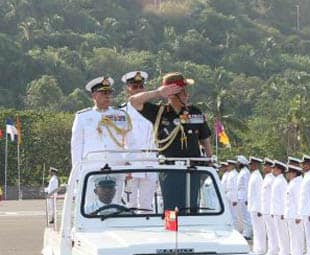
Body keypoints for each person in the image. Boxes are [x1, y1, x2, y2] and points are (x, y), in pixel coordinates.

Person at [129, 72, 212, 211]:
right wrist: (158, 93)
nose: (186, 94)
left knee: (192, 208)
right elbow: (133, 101)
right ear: (172, 93)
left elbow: (204, 138)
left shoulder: (194, 112)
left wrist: (209, 159)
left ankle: (191, 231)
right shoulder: (160, 112)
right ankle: (172, 232)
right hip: (170, 168)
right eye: (182, 91)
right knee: (172, 210)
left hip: (192, 168)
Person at [71, 77, 130, 171]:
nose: (108, 96)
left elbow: (129, 141)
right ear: (93, 95)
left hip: (116, 166)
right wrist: (77, 171)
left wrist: (129, 163)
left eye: (109, 93)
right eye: (104, 93)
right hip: (92, 167)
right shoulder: (82, 117)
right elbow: (76, 147)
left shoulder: (121, 115)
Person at [120, 70, 158, 212]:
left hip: (150, 161)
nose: (138, 90)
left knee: (147, 205)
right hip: (131, 162)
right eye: (134, 87)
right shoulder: (121, 112)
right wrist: (124, 162)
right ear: (127, 89)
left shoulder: (154, 111)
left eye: (140, 86)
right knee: (130, 205)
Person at [270, 160, 291, 255]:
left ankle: (285, 253)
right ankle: (282, 252)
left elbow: (284, 198)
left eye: (274, 168)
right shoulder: (277, 180)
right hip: (276, 211)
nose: (272, 170)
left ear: (279, 170)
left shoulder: (281, 181)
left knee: (283, 234)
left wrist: (283, 212)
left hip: (280, 212)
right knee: (279, 233)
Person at [246, 157, 267, 255]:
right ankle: (257, 248)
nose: (250, 166)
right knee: (256, 229)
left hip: (257, 207)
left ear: (256, 165)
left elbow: (259, 194)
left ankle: (261, 249)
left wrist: (260, 208)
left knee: (259, 229)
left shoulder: (257, 177)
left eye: (251, 164)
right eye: (250, 164)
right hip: (253, 207)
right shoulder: (253, 175)